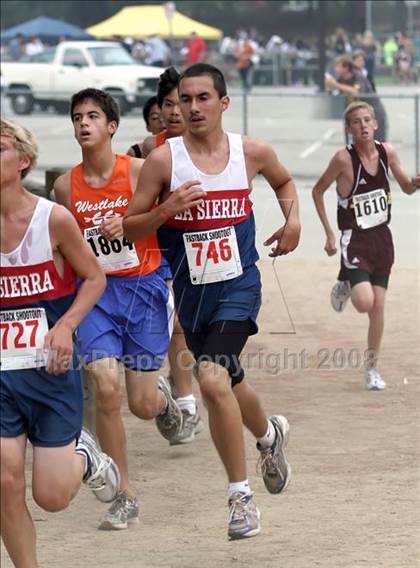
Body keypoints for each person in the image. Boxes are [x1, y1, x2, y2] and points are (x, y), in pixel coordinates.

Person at [123, 63, 301, 540]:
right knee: (227, 382)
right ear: (174, 106)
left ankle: (240, 498)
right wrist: (166, 210)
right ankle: (269, 435)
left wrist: (293, 223)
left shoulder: (251, 151)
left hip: (239, 287)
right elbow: (130, 226)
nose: (193, 107)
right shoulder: (164, 162)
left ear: (223, 103)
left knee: (211, 377)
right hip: (192, 296)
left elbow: (284, 182)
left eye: (203, 98)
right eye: (185, 99)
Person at [54, 88, 183, 531]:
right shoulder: (63, 186)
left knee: (142, 404)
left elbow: (169, 216)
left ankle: (163, 399)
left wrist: (128, 223)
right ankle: (124, 494)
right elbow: (65, 250)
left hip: (144, 290)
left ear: (111, 127)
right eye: (76, 117)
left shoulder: (139, 172)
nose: (83, 123)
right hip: (96, 295)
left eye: (92, 116)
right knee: (105, 388)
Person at [0, 119, 120, 567]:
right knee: (5, 484)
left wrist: (67, 325)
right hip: (1, 375)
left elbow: (94, 277)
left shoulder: (53, 219)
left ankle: (84, 456)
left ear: (23, 161)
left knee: (50, 498)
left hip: (49, 373)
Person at [312, 101, 420, 390]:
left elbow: (407, 187)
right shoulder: (343, 160)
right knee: (364, 303)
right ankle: (345, 280)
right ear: (349, 129)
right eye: (356, 121)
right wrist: (329, 234)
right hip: (354, 239)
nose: (363, 125)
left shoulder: (388, 153)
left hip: (382, 239)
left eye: (367, 120)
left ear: (375, 125)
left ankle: (372, 369)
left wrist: (416, 183)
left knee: (379, 306)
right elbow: (318, 190)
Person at [142, 67, 204, 445]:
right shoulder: (152, 151)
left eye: (183, 101)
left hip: (206, 247)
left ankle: (185, 388)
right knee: (176, 324)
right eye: (168, 104)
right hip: (163, 249)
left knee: (197, 327)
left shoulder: (211, 144)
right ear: (160, 110)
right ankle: (185, 402)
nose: (176, 110)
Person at [325, 55, 388, 142]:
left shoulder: (358, 76)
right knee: (352, 147)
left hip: (373, 113)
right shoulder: (341, 79)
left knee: (376, 144)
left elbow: (356, 91)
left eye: (338, 66)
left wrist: (336, 85)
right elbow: (336, 93)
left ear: (346, 68)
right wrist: (329, 88)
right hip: (355, 116)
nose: (335, 69)